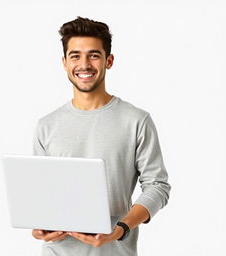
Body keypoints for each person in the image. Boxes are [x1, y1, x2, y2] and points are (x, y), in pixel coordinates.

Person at [32, 16, 171, 256]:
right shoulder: (47, 125)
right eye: (75, 56)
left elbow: (157, 186)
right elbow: (41, 195)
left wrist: (121, 228)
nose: (84, 64)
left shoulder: (136, 120)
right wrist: (38, 227)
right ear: (64, 62)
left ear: (109, 61)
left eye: (93, 55)